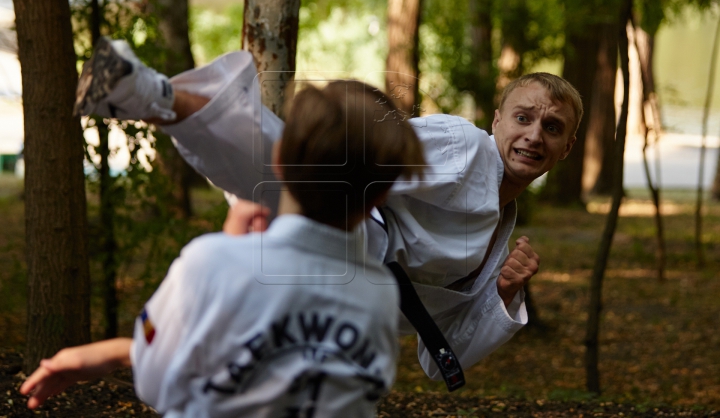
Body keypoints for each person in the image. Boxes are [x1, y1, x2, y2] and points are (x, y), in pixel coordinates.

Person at [71, 38, 582, 380]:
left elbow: (439, 358)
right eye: (523, 117)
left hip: (350, 304)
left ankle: (149, 94)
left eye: (552, 127)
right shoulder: (464, 146)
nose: (534, 135)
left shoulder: (500, 236)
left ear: (567, 148)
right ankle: (147, 93)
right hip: (348, 231)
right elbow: (375, 155)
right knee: (283, 160)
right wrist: (319, 161)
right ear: (497, 121)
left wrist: (503, 290)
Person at [21, 77, 427, 416]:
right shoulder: (377, 293)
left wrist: (227, 248)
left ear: (279, 159)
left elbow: (157, 384)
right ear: (379, 197)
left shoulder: (210, 263)